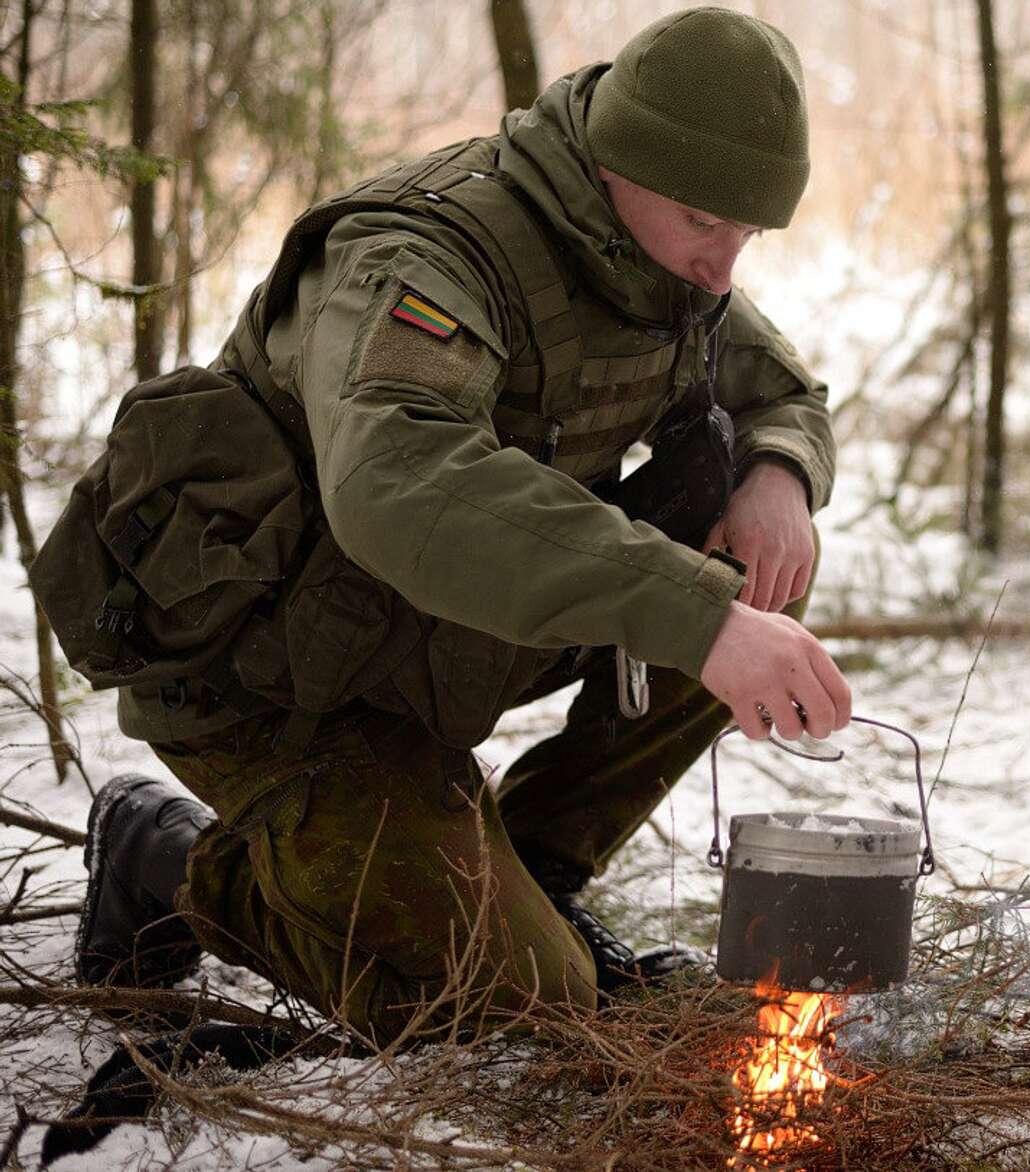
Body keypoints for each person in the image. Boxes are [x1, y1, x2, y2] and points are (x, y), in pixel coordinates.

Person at [43, 8, 849, 1042]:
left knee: (752, 575)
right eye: (707, 224)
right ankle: (167, 854)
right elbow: (400, 481)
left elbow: (782, 391)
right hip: (275, 680)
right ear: (618, 161)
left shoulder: (653, 255)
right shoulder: (425, 255)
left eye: (748, 234)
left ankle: (534, 873)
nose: (723, 267)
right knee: (505, 1003)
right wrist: (696, 618)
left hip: (419, 644)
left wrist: (778, 474)